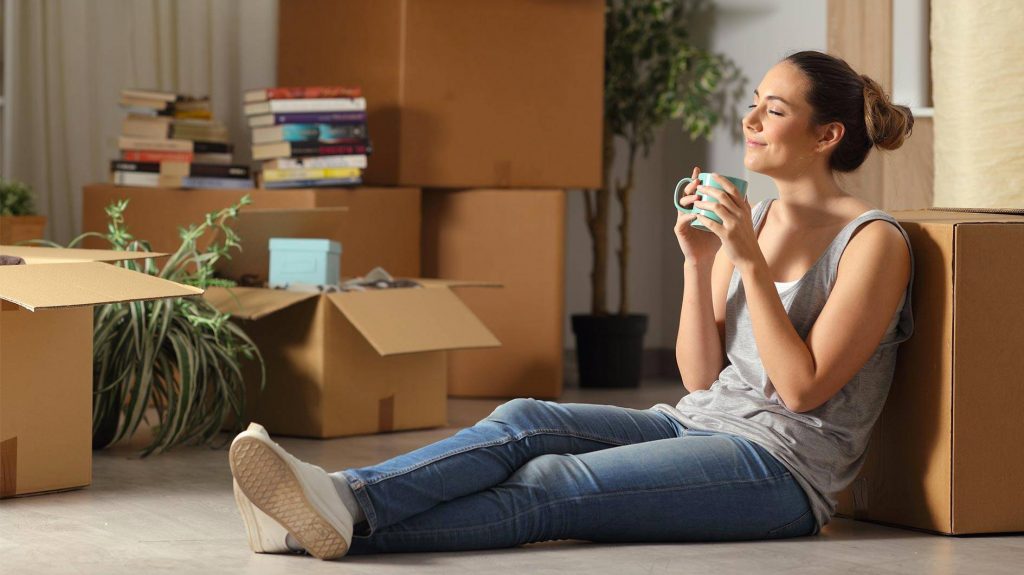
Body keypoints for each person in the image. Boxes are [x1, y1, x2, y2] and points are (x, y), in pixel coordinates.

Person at [227, 49, 915, 560]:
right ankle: (338, 499)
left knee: (551, 483)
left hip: (782, 472)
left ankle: (307, 523)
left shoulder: (873, 242)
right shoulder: (757, 219)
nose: (751, 118)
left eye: (776, 108)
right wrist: (698, 261)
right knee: (526, 420)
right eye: (755, 101)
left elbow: (799, 389)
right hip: (698, 423)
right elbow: (700, 380)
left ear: (826, 136)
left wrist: (748, 262)